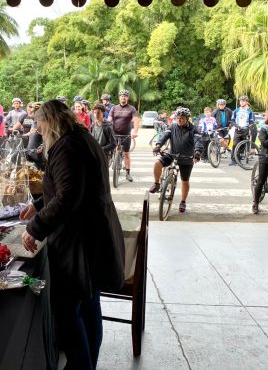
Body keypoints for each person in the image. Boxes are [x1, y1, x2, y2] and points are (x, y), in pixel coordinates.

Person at [19, 100, 124, 370]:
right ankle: (87, 364)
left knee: (68, 310)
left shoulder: (66, 146)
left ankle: (81, 365)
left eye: (40, 125)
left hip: (80, 239)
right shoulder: (81, 137)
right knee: (90, 305)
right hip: (93, 233)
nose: (39, 130)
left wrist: (35, 227)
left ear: (51, 121)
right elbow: (76, 186)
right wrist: (39, 203)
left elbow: (68, 196)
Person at [150, 107, 203, 213]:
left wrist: (197, 152)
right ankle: (156, 184)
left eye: (182, 118)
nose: (179, 120)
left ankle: (183, 201)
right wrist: (158, 145)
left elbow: (198, 141)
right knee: (157, 163)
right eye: (178, 118)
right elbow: (165, 136)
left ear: (187, 119)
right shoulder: (173, 126)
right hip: (171, 154)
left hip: (186, 157)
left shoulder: (194, 129)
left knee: (185, 180)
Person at [108, 90, 140, 182]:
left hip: (126, 134)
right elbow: (109, 120)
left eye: (125, 96)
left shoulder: (131, 109)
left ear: (127, 98)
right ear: (119, 97)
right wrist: (105, 127)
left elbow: (136, 120)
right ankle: (116, 158)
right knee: (113, 149)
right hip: (115, 133)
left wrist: (135, 132)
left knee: (126, 154)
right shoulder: (114, 108)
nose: (123, 97)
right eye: (122, 96)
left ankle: (128, 173)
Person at [230, 95, 255, 166]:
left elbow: (251, 121)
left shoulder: (249, 111)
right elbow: (232, 120)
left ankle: (239, 158)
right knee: (235, 144)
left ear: (247, 102)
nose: (242, 102)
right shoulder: (236, 110)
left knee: (243, 144)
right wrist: (236, 126)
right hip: (238, 129)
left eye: (244, 101)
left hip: (245, 129)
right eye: (241, 101)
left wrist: (249, 127)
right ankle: (233, 160)